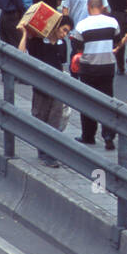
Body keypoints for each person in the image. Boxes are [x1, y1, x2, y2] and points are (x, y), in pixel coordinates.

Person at [18, 13, 75, 167]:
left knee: (54, 121)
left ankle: (50, 155)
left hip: (57, 88)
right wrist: (24, 34)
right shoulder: (37, 42)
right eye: (63, 30)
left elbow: (61, 64)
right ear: (56, 27)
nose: (64, 34)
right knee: (40, 118)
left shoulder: (62, 45)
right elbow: (20, 54)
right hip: (41, 87)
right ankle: (42, 152)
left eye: (67, 32)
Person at [70, 0, 119, 150]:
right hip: (107, 67)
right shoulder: (113, 22)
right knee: (107, 101)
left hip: (88, 69)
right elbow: (116, 40)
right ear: (102, 7)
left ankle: (88, 136)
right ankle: (108, 135)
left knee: (88, 102)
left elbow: (77, 46)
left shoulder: (82, 25)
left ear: (88, 7)